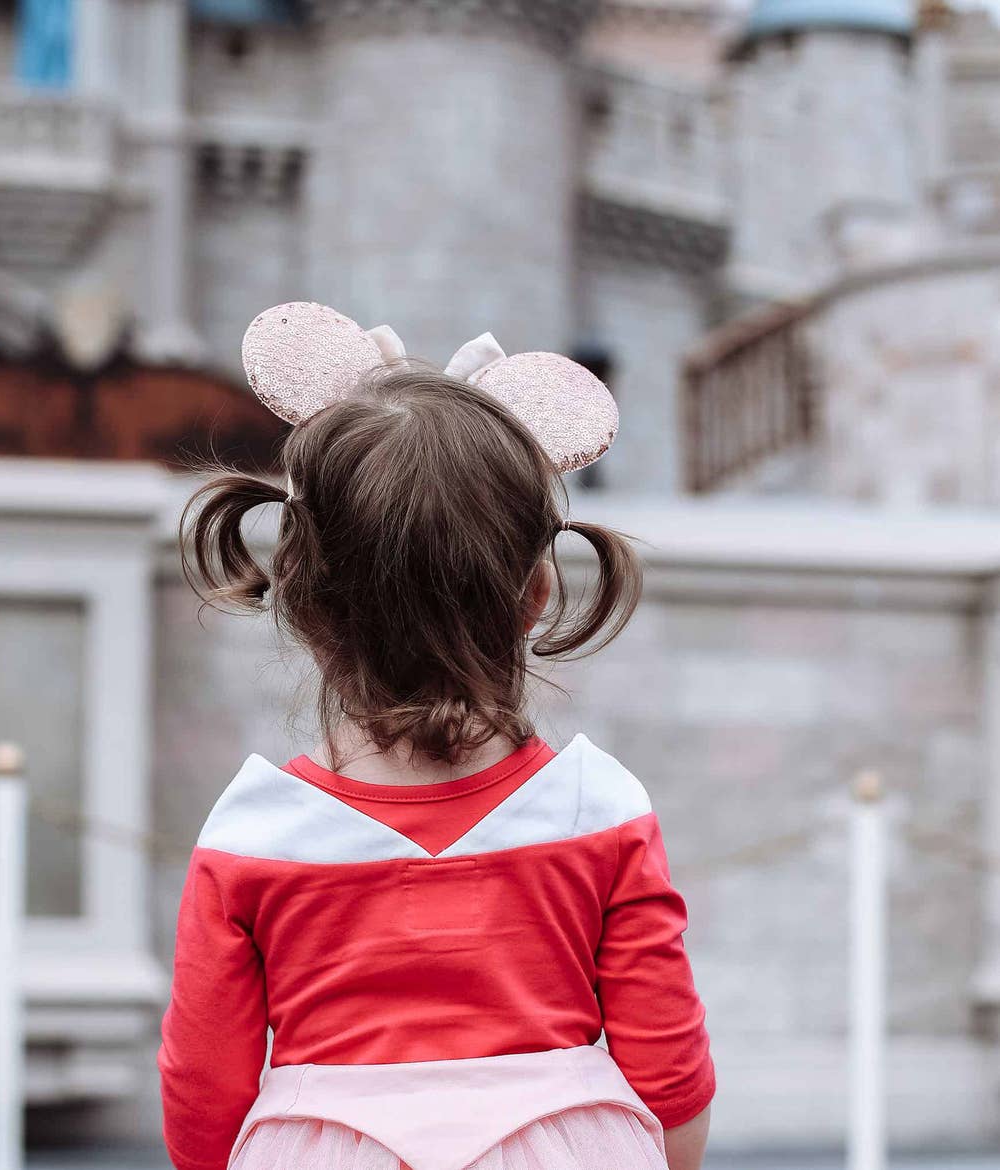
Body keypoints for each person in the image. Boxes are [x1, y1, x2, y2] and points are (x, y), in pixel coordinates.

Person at [158, 303, 716, 1170]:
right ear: (536, 592)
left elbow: (203, 1099)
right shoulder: (597, 810)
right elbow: (669, 1076)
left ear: (302, 598)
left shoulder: (252, 837)